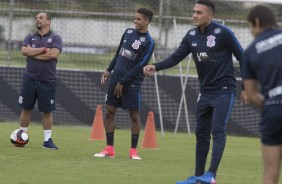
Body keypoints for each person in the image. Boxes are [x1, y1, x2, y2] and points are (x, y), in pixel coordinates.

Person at [143, 0, 248, 183]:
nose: (194, 15)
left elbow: (243, 57)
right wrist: (155, 66)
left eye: (199, 12)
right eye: (193, 12)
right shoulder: (191, 35)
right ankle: (199, 177)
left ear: (210, 15)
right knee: (201, 133)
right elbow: (176, 57)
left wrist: (245, 87)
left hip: (224, 90)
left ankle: (211, 175)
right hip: (205, 92)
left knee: (217, 130)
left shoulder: (224, 33)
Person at [94, 8, 154, 160]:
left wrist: (123, 81)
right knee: (110, 111)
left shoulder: (149, 42)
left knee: (134, 115)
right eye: (135, 18)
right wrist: (109, 69)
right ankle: (109, 149)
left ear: (147, 21)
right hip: (117, 77)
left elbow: (141, 65)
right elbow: (118, 52)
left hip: (132, 82)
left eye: (139, 19)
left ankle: (133, 151)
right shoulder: (128, 32)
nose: (135, 21)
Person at [242, 5, 282, 184]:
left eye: (250, 26)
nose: (250, 32)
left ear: (257, 22)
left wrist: (272, 105)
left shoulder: (250, 51)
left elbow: (250, 94)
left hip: (273, 111)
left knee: (270, 173)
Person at [18, 12, 62, 150]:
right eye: (36, 18)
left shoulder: (55, 38)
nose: (38, 20)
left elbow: (53, 54)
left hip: (47, 81)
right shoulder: (30, 36)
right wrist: (43, 50)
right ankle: (21, 136)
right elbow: (24, 51)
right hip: (29, 78)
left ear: (48, 21)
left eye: (41, 18)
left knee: (47, 111)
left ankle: (47, 141)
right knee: (26, 108)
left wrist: (33, 53)